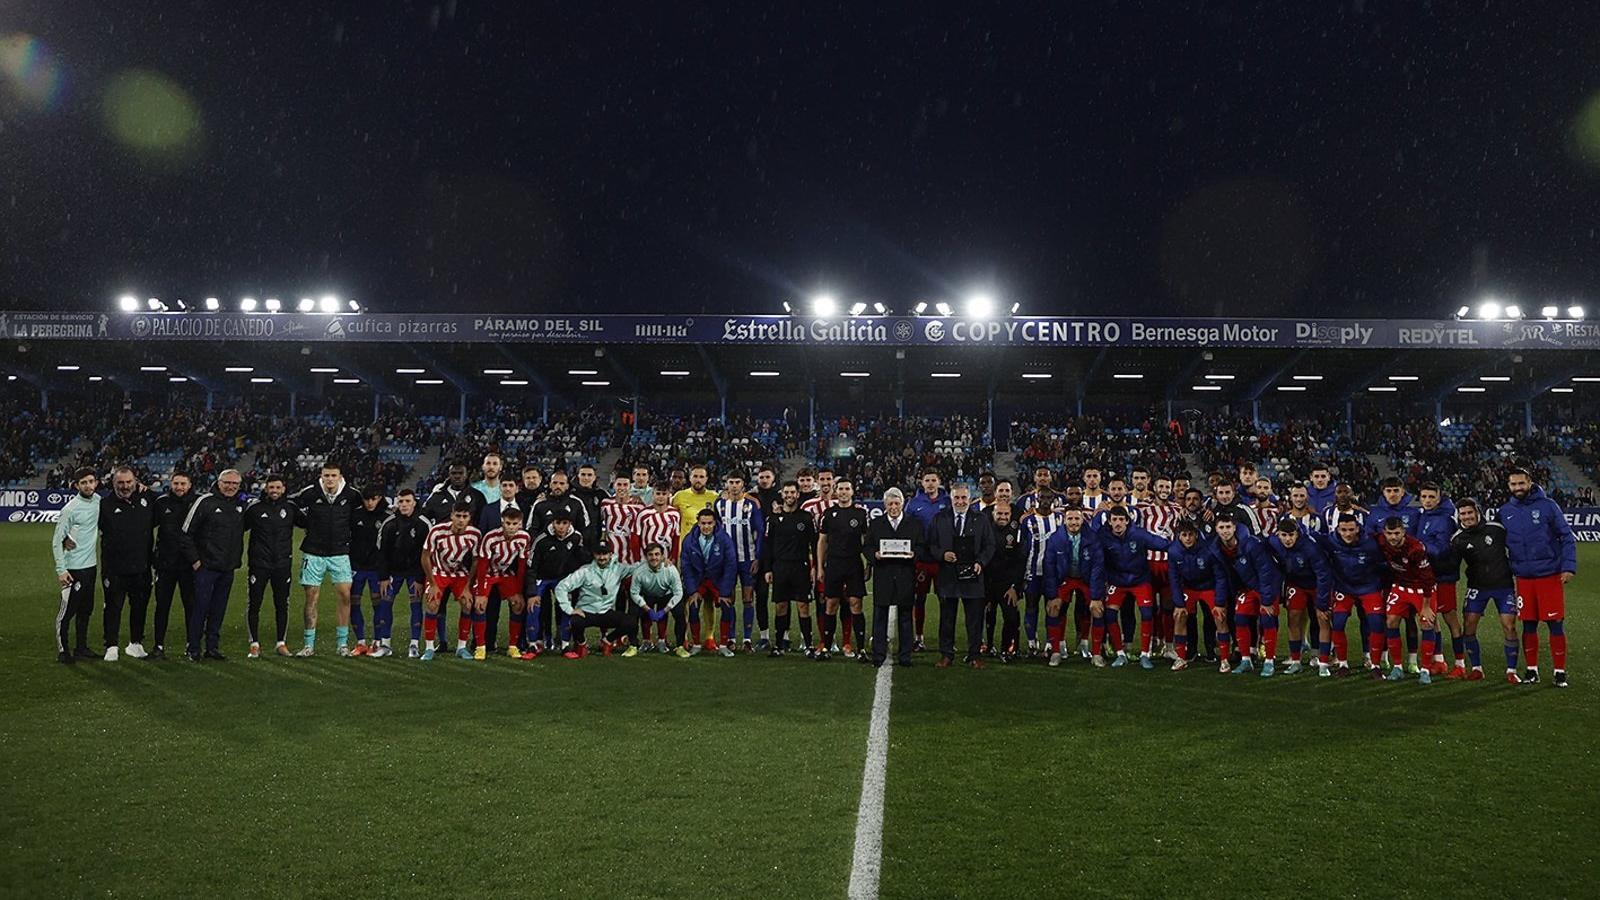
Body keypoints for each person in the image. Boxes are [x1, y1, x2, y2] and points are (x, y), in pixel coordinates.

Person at [1497, 467, 1577, 687]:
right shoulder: (1505, 511)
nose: (1518, 488)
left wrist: (1568, 566)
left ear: (1530, 482)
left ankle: (1559, 671)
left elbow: (1567, 537)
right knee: (1529, 625)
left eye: (1521, 483)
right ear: (1509, 486)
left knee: (1555, 625)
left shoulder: (1548, 506)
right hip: (1523, 578)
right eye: (1513, 484)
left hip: (1549, 576)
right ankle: (1532, 670)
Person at [288, 462, 363, 657]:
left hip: (340, 552)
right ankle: (308, 645)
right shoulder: (311, 492)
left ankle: (342, 644)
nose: (330, 479)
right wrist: (306, 524)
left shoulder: (352, 494)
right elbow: (291, 505)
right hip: (313, 552)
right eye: (326, 475)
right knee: (311, 597)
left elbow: (362, 513)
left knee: (345, 595)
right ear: (321, 476)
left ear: (340, 476)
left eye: (333, 475)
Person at [176, 469, 247, 662]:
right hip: (206, 568)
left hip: (228, 568)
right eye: (227, 482)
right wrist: (196, 561)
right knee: (200, 608)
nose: (231, 486)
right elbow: (185, 534)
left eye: (235, 484)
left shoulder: (240, 505)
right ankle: (193, 648)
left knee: (218, 609)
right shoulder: (204, 502)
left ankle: (212, 647)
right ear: (219, 482)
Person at [1091, 506, 1171, 669]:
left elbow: (1162, 544)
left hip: (1140, 580)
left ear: (1127, 521)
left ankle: (1144, 655)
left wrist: (1181, 547)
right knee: (1111, 615)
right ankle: (1120, 654)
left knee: (1147, 613)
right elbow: (1097, 561)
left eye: (1121, 519)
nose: (1118, 523)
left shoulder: (1138, 534)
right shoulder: (1103, 537)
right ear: (1109, 521)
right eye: (1114, 519)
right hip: (1117, 582)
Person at [1449, 498, 1519, 682]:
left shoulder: (1496, 528)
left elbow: (1516, 545)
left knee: (1509, 626)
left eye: (1470, 512)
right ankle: (1477, 668)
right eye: (1463, 514)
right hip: (1477, 587)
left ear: (1478, 512)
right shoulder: (1457, 539)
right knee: (1469, 626)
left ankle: (1512, 671)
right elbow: (1451, 565)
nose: (1467, 517)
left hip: (1503, 586)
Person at [927, 484, 995, 668]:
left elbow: (990, 545)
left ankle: (974, 656)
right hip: (948, 575)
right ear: (951, 499)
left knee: (974, 620)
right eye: (956, 498)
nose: (960, 501)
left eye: (964, 498)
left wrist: (980, 562)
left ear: (970, 498)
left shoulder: (981, 519)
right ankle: (946, 655)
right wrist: (942, 555)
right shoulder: (939, 518)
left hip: (973, 575)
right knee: (947, 619)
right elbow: (931, 544)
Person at [1210, 512, 1281, 676]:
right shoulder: (1216, 549)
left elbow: (1265, 572)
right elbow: (1221, 577)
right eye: (1221, 527)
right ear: (1216, 529)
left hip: (1267, 585)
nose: (1225, 531)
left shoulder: (1251, 544)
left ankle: (1269, 661)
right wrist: (1220, 603)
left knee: (1267, 618)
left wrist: (1266, 599)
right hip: (1247, 587)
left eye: (1228, 527)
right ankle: (1245, 660)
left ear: (1234, 528)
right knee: (1240, 618)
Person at [98, 465, 155, 661]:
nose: (125, 486)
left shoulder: (147, 499)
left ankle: (135, 643)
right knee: (113, 607)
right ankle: (111, 645)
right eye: (120, 483)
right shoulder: (104, 505)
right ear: (114, 483)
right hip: (114, 568)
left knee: (139, 606)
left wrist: (148, 489)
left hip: (142, 566)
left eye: (129, 482)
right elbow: (86, 527)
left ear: (136, 482)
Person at [1319, 514, 1387, 677]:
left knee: (1376, 623)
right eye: (1343, 530)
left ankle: (1376, 665)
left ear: (1358, 528)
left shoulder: (1370, 544)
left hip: (1369, 587)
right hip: (1344, 588)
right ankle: (1343, 664)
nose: (1348, 534)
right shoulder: (1330, 541)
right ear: (1337, 529)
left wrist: (1382, 588)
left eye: (1351, 529)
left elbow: (1383, 566)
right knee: (1339, 622)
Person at [1267, 518, 1333, 675]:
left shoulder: (1310, 547)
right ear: (1278, 534)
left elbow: (1323, 574)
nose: (1288, 539)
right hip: (1297, 584)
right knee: (1293, 617)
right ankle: (1296, 660)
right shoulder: (1273, 542)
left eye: (1291, 535)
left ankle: (1323, 662)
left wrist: (1323, 603)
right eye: (1284, 535)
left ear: (1297, 534)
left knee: (1322, 618)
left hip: (1316, 584)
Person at [865, 488, 921, 667]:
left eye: (897, 503)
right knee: (880, 616)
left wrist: (915, 554)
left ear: (902, 504)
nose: (894, 507)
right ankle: (878, 655)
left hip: (905, 575)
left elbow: (922, 546)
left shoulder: (914, 524)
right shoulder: (876, 524)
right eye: (890, 504)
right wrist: (875, 555)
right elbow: (866, 547)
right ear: (885, 505)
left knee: (905, 617)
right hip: (883, 575)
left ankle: (905, 656)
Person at [761, 480, 818, 657]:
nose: (789, 496)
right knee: (781, 606)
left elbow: (815, 544)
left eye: (792, 492)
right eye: (786, 493)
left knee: (803, 606)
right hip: (780, 567)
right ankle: (778, 646)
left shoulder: (806, 518)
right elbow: (768, 546)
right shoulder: (773, 518)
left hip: (801, 566)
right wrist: (768, 569)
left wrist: (814, 567)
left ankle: (808, 646)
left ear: (797, 495)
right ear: (782, 495)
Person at [1377, 517, 1437, 685]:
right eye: (1389, 533)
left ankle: (1425, 669)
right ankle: (1397, 667)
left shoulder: (1416, 548)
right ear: (1384, 533)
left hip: (1422, 589)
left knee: (1427, 623)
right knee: (1391, 621)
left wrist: (1426, 606)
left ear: (1403, 532)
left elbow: (1428, 579)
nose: (1393, 537)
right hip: (1400, 587)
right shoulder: (1382, 541)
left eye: (1397, 533)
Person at [51, 467, 102, 664]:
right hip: (73, 568)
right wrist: (61, 570)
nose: (88, 485)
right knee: (67, 612)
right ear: (76, 485)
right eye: (84, 483)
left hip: (90, 566)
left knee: (86, 610)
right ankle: (63, 650)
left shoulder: (98, 501)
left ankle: (81, 648)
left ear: (96, 482)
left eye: (91, 481)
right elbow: (56, 540)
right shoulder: (70, 509)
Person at [243, 474, 296, 658]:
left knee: (282, 604)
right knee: (254, 604)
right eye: (271, 487)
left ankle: (281, 643)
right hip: (259, 564)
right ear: (266, 488)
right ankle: (254, 644)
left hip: (282, 564)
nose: (274, 491)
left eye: (277, 488)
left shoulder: (290, 508)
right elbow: (237, 528)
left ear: (283, 489)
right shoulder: (255, 509)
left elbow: (310, 523)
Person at [420, 502, 481, 661]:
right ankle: (429, 648)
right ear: (452, 515)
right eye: (458, 516)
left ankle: (461, 647)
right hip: (438, 572)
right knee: (433, 604)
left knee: (467, 604)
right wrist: (432, 584)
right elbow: (425, 556)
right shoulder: (437, 531)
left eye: (464, 517)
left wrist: (468, 586)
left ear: (469, 518)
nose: (461, 520)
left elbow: (476, 560)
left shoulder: (475, 534)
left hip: (460, 573)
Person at [1414, 483, 1464, 677]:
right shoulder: (1423, 516)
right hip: (1427, 576)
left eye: (1431, 497)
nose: (1427, 500)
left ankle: (1459, 663)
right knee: (1432, 618)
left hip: (1443, 576)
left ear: (1439, 498)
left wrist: (1419, 547)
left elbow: (1442, 549)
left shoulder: (1445, 519)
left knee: (1450, 617)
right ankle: (1439, 660)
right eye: (1424, 496)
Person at [817, 479, 870, 660]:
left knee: (856, 604)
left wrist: (868, 564)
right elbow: (822, 541)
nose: (844, 492)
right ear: (835, 491)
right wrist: (820, 567)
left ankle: (861, 649)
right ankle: (826, 648)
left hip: (854, 564)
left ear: (852, 491)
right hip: (834, 564)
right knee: (831, 604)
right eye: (840, 489)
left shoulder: (861, 514)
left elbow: (867, 542)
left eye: (847, 489)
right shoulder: (829, 513)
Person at [554, 543, 636, 658]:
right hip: (586, 611)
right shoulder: (585, 570)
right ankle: (582, 643)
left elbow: (639, 567)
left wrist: (663, 562)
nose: (602, 557)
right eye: (599, 554)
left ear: (611, 554)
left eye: (605, 554)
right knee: (575, 621)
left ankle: (607, 641)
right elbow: (561, 587)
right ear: (594, 555)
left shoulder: (619, 569)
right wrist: (569, 609)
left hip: (606, 612)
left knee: (630, 622)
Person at [377, 488, 431, 659]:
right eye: (401, 501)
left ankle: (414, 644)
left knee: (415, 605)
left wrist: (421, 578)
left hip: (415, 573)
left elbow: (428, 554)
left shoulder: (424, 524)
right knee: (385, 604)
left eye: (408, 501)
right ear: (396, 503)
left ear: (414, 502)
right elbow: (382, 553)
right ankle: (385, 644)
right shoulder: (389, 524)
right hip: (394, 572)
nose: (404, 505)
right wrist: (384, 577)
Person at [471, 507, 531, 659]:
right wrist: (480, 593)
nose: (511, 527)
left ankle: (512, 646)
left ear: (520, 524)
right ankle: (480, 646)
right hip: (488, 574)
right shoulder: (491, 537)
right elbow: (482, 565)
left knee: (518, 604)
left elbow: (522, 566)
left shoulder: (524, 538)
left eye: (514, 523)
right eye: (508, 523)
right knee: (480, 606)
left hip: (505, 574)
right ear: (502, 522)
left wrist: (518, 591)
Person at [151, 471, 199, 659]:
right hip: (165, 564)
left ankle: (191, 645)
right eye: (176, 483)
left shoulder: (197, 502)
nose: (179, 487)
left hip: (189, 565)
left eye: (183, 484)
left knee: (191, 607)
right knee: (162, 606)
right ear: (171, 484)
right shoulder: (161, 503)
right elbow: (146, 527)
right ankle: (158, 646)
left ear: (189, 484)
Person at [714, 472, 764, 652]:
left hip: (747, 558)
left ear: (743, 484)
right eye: (731, 482)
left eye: (737, 482)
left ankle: (748, 639)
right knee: (728, 599)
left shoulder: (751, 505)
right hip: (727, 561)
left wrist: (757, 557)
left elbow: (759, 531)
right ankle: (731, 638)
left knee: (748, 598)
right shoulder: (719, 505)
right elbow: (716, 532)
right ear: (726, 484)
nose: (734, 485)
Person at [525, 512, 588, 653]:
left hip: (562, 578)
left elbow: (581, 559)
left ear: (570, 524)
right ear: (553, 523)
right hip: (542, 577)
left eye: (564, 523)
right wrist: (531, 592)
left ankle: (565, 644)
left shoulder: (576, 537)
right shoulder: (541, 539)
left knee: (566, 605)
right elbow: (531, 567)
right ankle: (532, 644)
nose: (561, 527)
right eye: (558, 523)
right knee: (533, 606)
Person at [679, 508, 737, 657]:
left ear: (715, 523)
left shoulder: (724, 539)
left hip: (717, 580)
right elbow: (686, 567)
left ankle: (723, 645)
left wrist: (724, 592)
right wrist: (692, 591)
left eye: (709, 523)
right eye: (703, 523)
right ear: (698, 523)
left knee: (726, 606)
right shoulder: (689, 540)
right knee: (693, 606)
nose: (706, 527)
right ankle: (697, 644)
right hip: (699, 581)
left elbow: (730, 565)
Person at [1166, 521, 1223, 672]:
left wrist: (1219, 601)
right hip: (1189, 588)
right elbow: (1174, 579)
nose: (1188, 538)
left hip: (1208, 587)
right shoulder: (1173, 551)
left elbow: (1219, 576)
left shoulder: (1209, 550)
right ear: (1179, 536)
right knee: (1179, 616)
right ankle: (1181, 657)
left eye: (1191, 534)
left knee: (1219, 616)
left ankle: (1223, 658)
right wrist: (1179, 604)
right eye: (1184, 535)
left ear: (1196, 534)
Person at [905, 468, 951, 652]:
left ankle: (946, 640)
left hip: (942, 561)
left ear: (939, 481)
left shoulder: (948, 501)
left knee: (946, 601)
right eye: (927, 480)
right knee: (919, 600)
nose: (930, 483)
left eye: (933, 480)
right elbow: (907, 529)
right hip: (922, 560)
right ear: (922, 483)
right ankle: (919, 638)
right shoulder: (914, 503)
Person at [1017, 492, 1061, 656]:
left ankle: (1050, 643)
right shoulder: (1028, 521)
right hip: (1032, 572)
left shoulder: (1059, 519)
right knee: (1031, 606)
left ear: (1053, 500)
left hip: (1053, 574)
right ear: (1036, 500)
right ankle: (1031, 643)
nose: (1045, 501)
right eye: (1042, 498)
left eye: (1049, 498)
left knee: (1052, 608)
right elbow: (1021, 548)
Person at [348, 486, 390, 655]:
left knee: (377, 604)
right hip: (356, 566)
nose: (370, 503)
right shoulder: (355, 515)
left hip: (376, 568)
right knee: (354, 603)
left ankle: (377, 641)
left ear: (379, 498)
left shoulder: (387, 517)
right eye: (367, 499)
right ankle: (360, 642)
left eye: (374, 499)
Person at [984, 502, 1027, 664]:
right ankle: (987, 646)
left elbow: (1020, 562)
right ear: (993, 514)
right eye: (999, 514)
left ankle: (1007, 649)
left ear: (1010, 515)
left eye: (1006, 514)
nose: (1002, 517)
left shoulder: (1016, 532)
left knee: (1011, 618)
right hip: (987, 583)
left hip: (1008, 585)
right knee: (987, 615)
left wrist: (1015, 587)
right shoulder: (986, 531)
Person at [630, 542, 685, 654]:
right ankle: (634, 645)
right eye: (650, 555)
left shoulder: (671, 569)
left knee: (680, 612)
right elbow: (634, 593)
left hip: (666, 595)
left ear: (662, 556)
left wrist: (665, 610)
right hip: (647, 595)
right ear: (646, 557)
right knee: (633, 611)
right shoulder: (639, 571)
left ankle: (679, 646)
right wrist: (647, 609)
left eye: (657, 554)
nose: (654, 557)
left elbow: (678, 593)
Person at [635, 481, 683, 565]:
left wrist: (673, 558)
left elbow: (676, 538)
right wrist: (638, 558)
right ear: (653, 494)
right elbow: (635, 537)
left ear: (669, 495)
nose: (661, 497)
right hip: (646, 560)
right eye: (658, 493)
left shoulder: (675, 514)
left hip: (667, 561)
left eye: (664, 494)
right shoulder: (643, 513)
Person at [670, 465, 718, 539]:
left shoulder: (715, 497)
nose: (698, 480)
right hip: (686, 546)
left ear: (706, 479)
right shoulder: (679, 496)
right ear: (690, 478)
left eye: (701, 477)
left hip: (708, 546)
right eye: (695, 476)